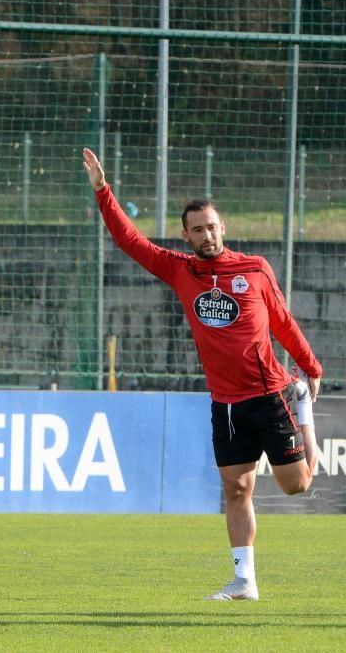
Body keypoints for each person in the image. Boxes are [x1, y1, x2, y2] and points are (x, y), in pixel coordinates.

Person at [82, 148, 323, 601]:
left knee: (297, 487)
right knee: (236, 488)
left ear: (223, 228)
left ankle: (304, 412)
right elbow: (131, 241)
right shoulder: (181, 270)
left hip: (271, 394)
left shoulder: (254, 269)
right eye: (198, 229)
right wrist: (102, 190)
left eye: (212, 227)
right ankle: (244, 582)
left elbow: (284, 322)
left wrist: (310, 367)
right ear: (186, 235)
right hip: (226, 404)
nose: (207, 235)